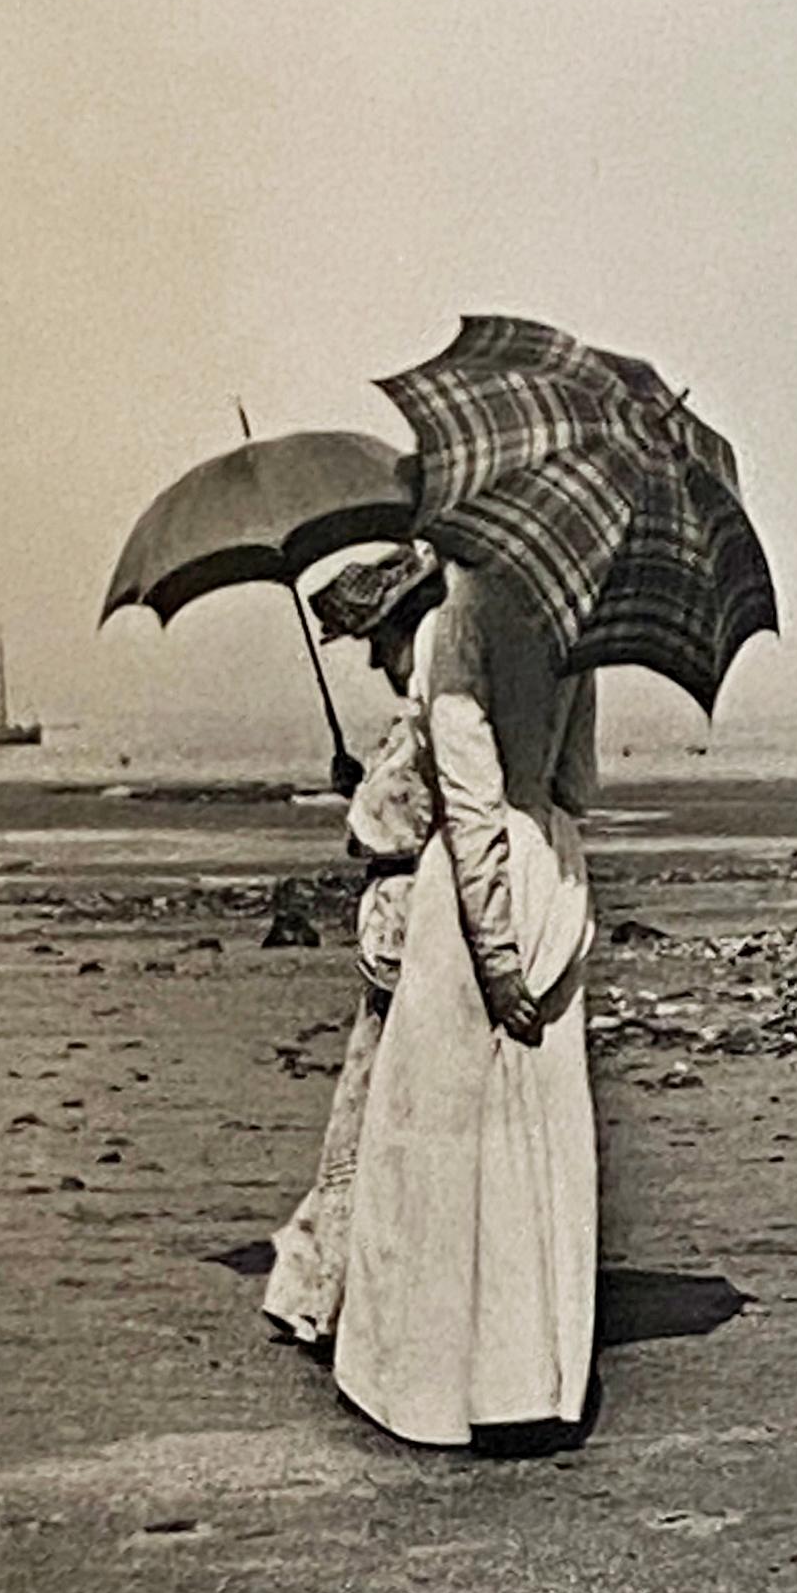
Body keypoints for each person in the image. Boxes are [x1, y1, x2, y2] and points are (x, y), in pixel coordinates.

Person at [330, 558, 604, 1443]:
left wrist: (493, 951)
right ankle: (534, 1378)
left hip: (477, 886)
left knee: (440, 1141)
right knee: (540, 1140)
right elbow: (578, 782)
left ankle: (434, 1389)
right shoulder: (572, 602)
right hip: (555, 867)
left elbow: (470, 801)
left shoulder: (460, 615)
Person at [260, 543, 447, 1345]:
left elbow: (397, 826)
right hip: (405, 918)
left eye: (378, 638)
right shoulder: (421, 722)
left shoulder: (429, 721)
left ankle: (342, 1292)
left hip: (409, 922)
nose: (372, 658)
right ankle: (337, 1285)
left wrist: (360, 803)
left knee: (378, 1105)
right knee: (374, 1103)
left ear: (408, 627)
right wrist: (358, 787)